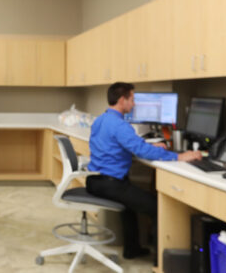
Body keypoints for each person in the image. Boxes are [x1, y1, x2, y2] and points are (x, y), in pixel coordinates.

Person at [86, 82, 202, 259]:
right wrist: (179, 157)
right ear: (122, 100)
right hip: (110, 184)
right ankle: (159, 262)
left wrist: (148, 145)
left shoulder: (100, 120)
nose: (134, 104)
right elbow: (141, 151)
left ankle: (132, 249)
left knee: (129, 203)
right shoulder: (120, 125)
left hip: (94, 181)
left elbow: (124, 144)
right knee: (157, 206)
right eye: (132, 99)